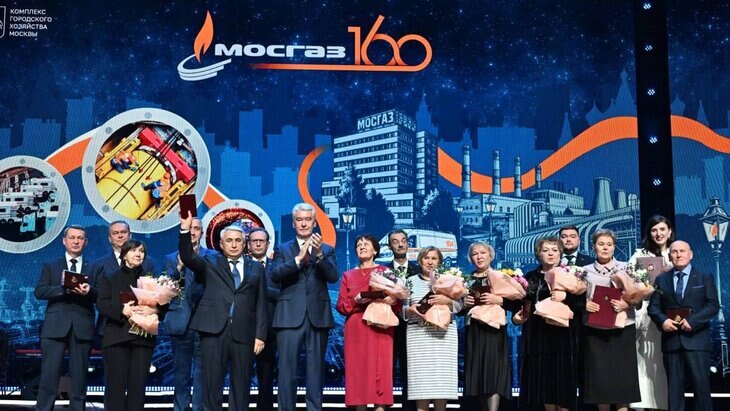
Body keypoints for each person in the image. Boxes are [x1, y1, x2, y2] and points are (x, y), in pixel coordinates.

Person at [178, 213, 268, 411]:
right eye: (229, 241)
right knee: (211, 385)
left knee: (241, 387)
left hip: (244, 333)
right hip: (213, 331)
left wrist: (260, 335)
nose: (234, 245)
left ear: (245, 244)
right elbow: (188, 257)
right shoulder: (210, 262)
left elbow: (261, 303)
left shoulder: (256, 268)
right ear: (221, 244)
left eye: (238, 240)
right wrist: (185, 229)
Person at [270, 203, 339, 411]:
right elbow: (275, 275)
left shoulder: (326, 249)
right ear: (293, 224)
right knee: (286, 372)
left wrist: (319, 255)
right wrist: (298, 260)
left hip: (317, 317)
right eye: (299, 220)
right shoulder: (282, 249)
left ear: (314, 222)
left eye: (308, 220)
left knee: (315, 371)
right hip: (289, 316)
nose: (303, 224)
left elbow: (333, 276)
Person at [649, 241, 719, 411]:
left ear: (690, 254)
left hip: (697, 342)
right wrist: (663, 321)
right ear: (669, 256)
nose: (679, 254)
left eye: (682, 251)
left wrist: (693, 321)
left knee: (701, 390)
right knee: (674, 391)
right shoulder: (661, 280)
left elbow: (713, 306)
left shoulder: (704, 277)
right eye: (674, 252)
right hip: (672, 342)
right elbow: (653, 307)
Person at [514, 236, 582, 411]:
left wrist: (566, 297)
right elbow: (522, 305)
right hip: (538, 338)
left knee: (563, 389)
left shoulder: (571, 274)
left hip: (563, 339)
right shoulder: (530, 277)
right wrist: (517, 317)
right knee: (545, 388)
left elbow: (582, 304)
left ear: (560, 253)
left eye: (554, 250)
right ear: (539, 254)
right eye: (545, 250)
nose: (550, 254)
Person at [96, 239, 164, 411]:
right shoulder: (110, 278)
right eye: (133, 250)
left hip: (143, 340)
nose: (138, 254)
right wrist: (121, 310)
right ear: (124, 255)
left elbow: (164, 306)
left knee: (138, 387)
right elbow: (102, 303)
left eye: (141, 251)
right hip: (117, 338)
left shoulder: (151, 281)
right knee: (116, 387)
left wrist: (155, 310)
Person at [34, 225, 96, 411]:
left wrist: (89, 291)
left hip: (82, 326)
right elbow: (40, 291)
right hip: (55, 327)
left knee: (79, 378)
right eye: (72, 238)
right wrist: (64, 289)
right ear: (64, 241)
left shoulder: (94, 266)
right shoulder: (51, 265)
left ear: (86, 242)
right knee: (49, 376)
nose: (76, 241)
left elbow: (102, 294)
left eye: (80, 238)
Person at [336, 234, 399, 410]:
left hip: (380, 325)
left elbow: (398, 303)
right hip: (356, 328)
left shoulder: (386, 272)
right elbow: (341, 305)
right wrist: (356, 300)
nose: (362, 247)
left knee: (381, 371)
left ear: (375, 250)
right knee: (358, 374)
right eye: (359, 245)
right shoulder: (348, 275)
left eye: (366, 244)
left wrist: (391, 300)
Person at [582, 229, 641, 411]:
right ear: (593, 247)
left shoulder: (627, 268)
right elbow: (577, 299)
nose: (605, 248)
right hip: (595, 330)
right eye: (601, 244)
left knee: (622, 379)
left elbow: (639, 297)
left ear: (614, 247)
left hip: (622, 330)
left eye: (609, 244)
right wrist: (585, 305)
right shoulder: (583, 272)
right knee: (600, 380)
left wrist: (627, 303)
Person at [163, 217, 216, 411]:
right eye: (190, 228)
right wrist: (178, 270)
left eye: (197, 228)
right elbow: (164, 290)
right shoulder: (171, 258)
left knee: (202, 374)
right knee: (181, 374)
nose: (193, 232)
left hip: (204, 322)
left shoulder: (212, 257)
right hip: (180, 321)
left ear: (202, 233)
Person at [404, 246, 462, 411]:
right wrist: (410, 309)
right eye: (426, 258)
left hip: (444, 338)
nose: (430, 262)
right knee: (421, 385)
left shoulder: (449, 280)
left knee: (441, 383)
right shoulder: (410, 281)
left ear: (440, 262)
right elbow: (402, 310)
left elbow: (459, 307)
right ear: (420, 261)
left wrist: (447, 301)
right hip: (418, 338)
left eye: (434, 258)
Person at [462, 242, 518, 411]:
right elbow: (457, 309)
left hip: (494, 330)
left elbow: (516, 303)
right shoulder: (465, 280)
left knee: (493, 373)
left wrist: (499, 300)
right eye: (475, 254)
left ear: (491, 255)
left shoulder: (502, 277)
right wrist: (464, 304)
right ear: (470, 258)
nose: (479, 257)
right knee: (478, 374)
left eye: (483, 253)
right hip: (474, 330)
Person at [629, 215, 675, 411]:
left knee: (666, 363)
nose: (658, 233)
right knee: (645, 360)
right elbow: (631, 285)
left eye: (662, 229)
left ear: (670, 232)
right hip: (646, 314)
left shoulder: (676, 253)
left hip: (671, 315)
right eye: (654, 230)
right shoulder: (640, 255)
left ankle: (665, 404)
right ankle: (642, 405)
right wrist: (647, 287)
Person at [385, 229, 420, 411]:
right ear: (389, 245)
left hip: (414, 329)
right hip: (388, 329)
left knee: (411, 374)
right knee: (386, 372)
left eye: (403, 240)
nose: (400, 244)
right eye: (395, 241)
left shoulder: (419, 270)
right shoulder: (382, 271)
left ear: (408, 243)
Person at [247, 227, 279, 411]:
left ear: (268, 244)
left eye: (262, 241)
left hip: (270, 329)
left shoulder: (277, 266)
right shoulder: (241, 265)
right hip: (243, 328)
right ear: (249, 244)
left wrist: (261, 290)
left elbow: (283, 294)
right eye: (254, 241)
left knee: (266, 377)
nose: (258, 244)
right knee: (240, 375)